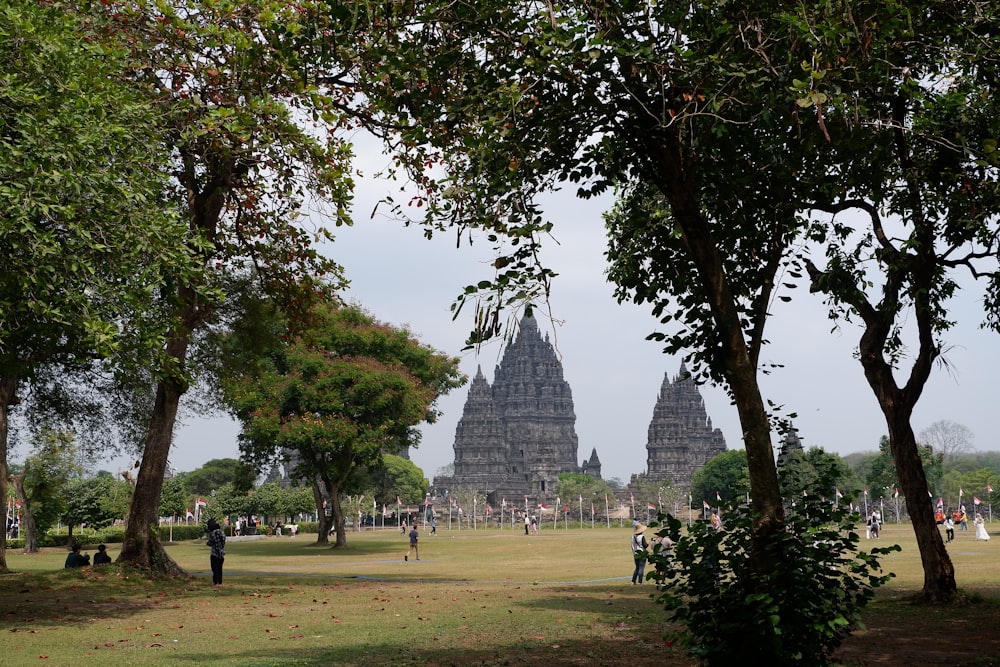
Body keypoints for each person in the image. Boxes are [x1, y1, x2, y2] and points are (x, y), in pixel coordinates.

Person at [206, 518, 226, 585]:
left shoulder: (212, 534)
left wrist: (208, 543)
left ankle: (215, 581)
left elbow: (210, 543)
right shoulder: (222, 532)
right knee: (220, 568)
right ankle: (220, 581)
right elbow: (223, 541)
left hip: (214, 553)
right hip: (221, 553)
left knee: (214, 568)